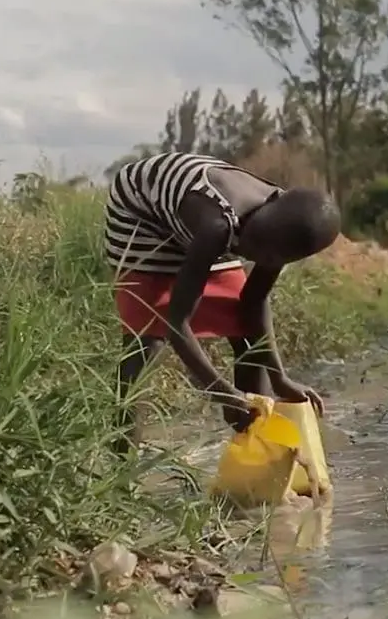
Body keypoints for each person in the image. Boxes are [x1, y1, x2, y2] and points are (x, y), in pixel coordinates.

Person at [105, 151, 340, 454]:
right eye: (253, 250)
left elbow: (254, 302)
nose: (253, 257)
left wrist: (279, 377)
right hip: (141, 213)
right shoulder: (221, 225)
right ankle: (121, 465)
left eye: (269, 258)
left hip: (211, 219)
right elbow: (176, 323)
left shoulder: (280, 227)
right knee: (147, 338)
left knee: (244, 331)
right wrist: (222, 394)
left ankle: (257, 451)